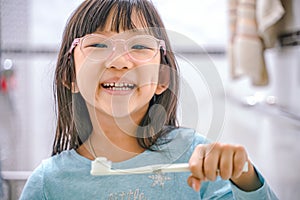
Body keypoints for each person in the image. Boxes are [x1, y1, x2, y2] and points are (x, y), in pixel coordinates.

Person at [20, 0, 278, 199]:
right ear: (70, 76)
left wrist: (245, 176)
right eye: (98, 46)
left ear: (162, 79)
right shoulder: (47, 184)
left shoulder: (198, 160)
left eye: (140, 46)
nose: (119, 61)